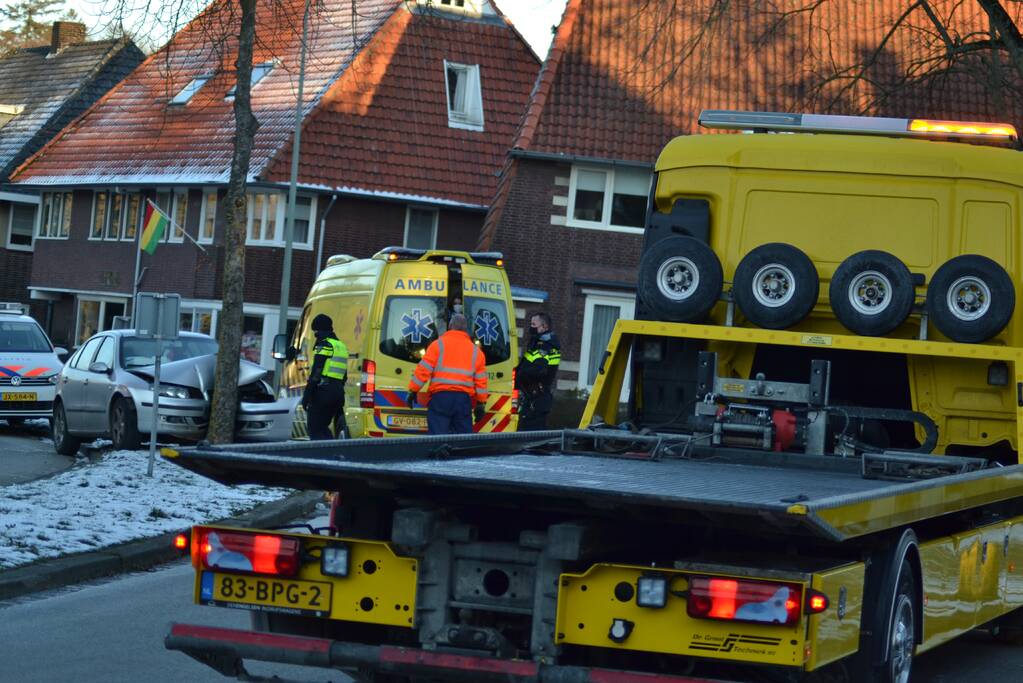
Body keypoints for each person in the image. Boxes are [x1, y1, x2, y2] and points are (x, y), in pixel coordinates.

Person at [408, 313, 487, 435]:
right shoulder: (477, 352)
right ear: (466, 329)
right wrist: (481, 403)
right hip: (463, 401)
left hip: (440, 399)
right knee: (462, 439)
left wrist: (413, 390)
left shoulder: (437, 345)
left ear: (450, 326)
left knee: (437, 439)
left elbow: (423, 370)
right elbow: (481, 381)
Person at [301, 314, 348, 440]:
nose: (315, 335)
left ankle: (324, 452)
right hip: (337, 393)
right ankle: (332, 451)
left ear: (320, 330)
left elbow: (316, 373)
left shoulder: (325, 345)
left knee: (315, 429)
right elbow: (344, 376)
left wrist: (307, 396)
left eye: (316, 331)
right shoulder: (341, 346)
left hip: (323, 393)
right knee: (323, 428)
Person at [515, 312, 561, 430]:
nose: (531, 327)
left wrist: (522, 374)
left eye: (534, 324)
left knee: (529, 434)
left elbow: (539, 370)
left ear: (544, 327)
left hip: (537, 398)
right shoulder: (538, 343)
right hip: (533, 397)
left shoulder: (545, 345)